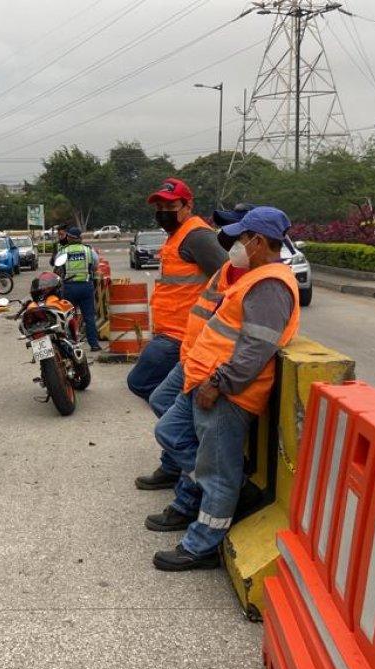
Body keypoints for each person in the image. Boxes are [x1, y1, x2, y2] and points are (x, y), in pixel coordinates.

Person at [148, 207, 301, 571]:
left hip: (226, 393)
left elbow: (255, 349)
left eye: (241, 238)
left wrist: (219, 383)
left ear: (258, 241)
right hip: (202, 380)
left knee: (218, 474)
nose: (235, 244)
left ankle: (200, 546)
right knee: (169, 432)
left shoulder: (270, 285)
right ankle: (236, 488)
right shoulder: (255, 276)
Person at [134, 205, 251, 491]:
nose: (224, 236)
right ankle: (183, 468)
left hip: (202, 352)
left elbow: (240, 317)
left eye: (234, 231)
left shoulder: (199, 239)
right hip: (192, 349)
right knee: (165, 407)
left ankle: (209, 484)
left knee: (162, 405)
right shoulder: (178, 238)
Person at [126, 178, 226, 401]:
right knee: (163, 391)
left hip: (181, 335)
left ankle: (186, 421)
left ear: (188, 206)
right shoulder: (177, 236)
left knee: (139, 382)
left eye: (170, 207)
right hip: (171, 332)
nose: (163, 212)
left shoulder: (197, 236)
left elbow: (228, 279)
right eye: (159, 208)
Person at [56, 226, 102, 351]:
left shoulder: (63, 251)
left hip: (69, 287)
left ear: (69, 237)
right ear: (80, 238)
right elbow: (96, 265)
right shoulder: (88, 250)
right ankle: (94, 345)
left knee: (68, 316)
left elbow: (57, 267)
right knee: (89, 317)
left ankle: (70, 344)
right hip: (86, 286)